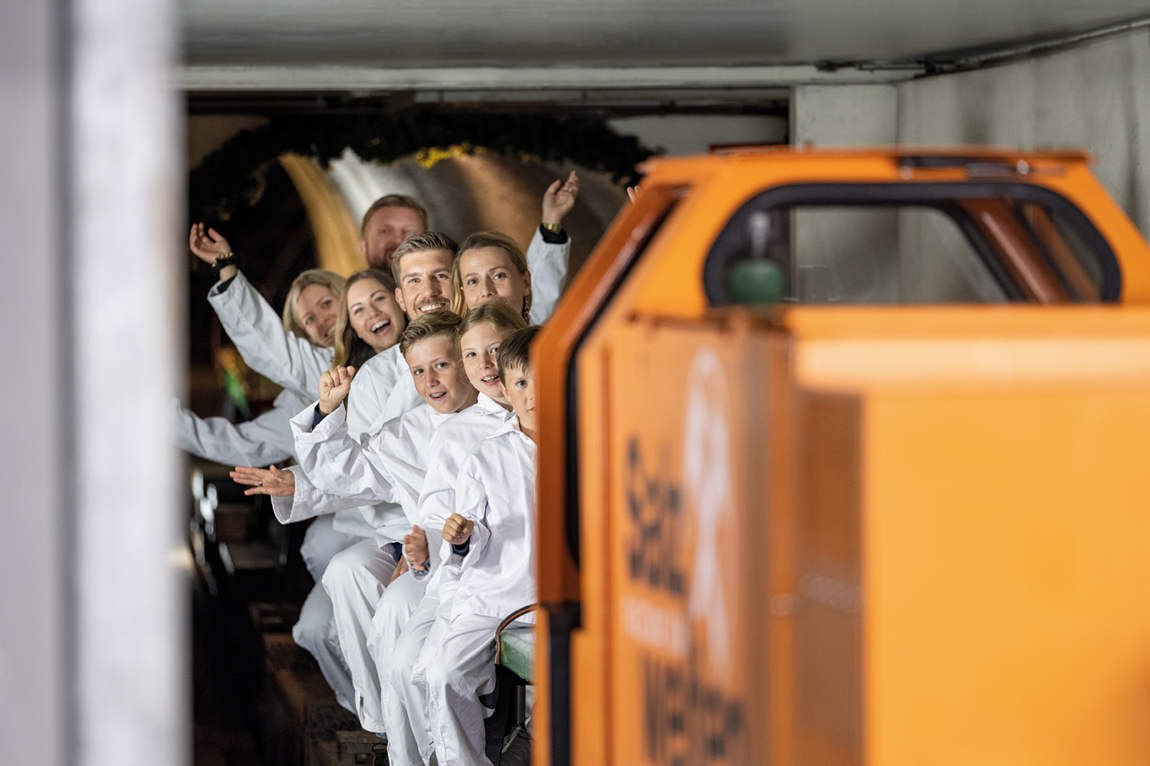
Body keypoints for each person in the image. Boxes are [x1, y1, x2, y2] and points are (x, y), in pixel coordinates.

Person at [376, 303, 529, 766]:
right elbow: (442, 515)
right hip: (462, 580)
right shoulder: (462, 436)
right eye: (471, 356)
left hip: (520, 586)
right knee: (409, 666)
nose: (485, 366)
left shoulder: (551, 423)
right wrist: (436, 541)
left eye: (496, 352)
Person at [414, 326, 540, 766]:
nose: (533, 393)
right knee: (444, 673)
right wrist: (463, 537)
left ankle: (533, 742)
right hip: (493, 596)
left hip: (560, 603)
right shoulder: (487, 456)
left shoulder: (589, 447)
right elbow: (473, 531)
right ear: (504, 388)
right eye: (522, 382)